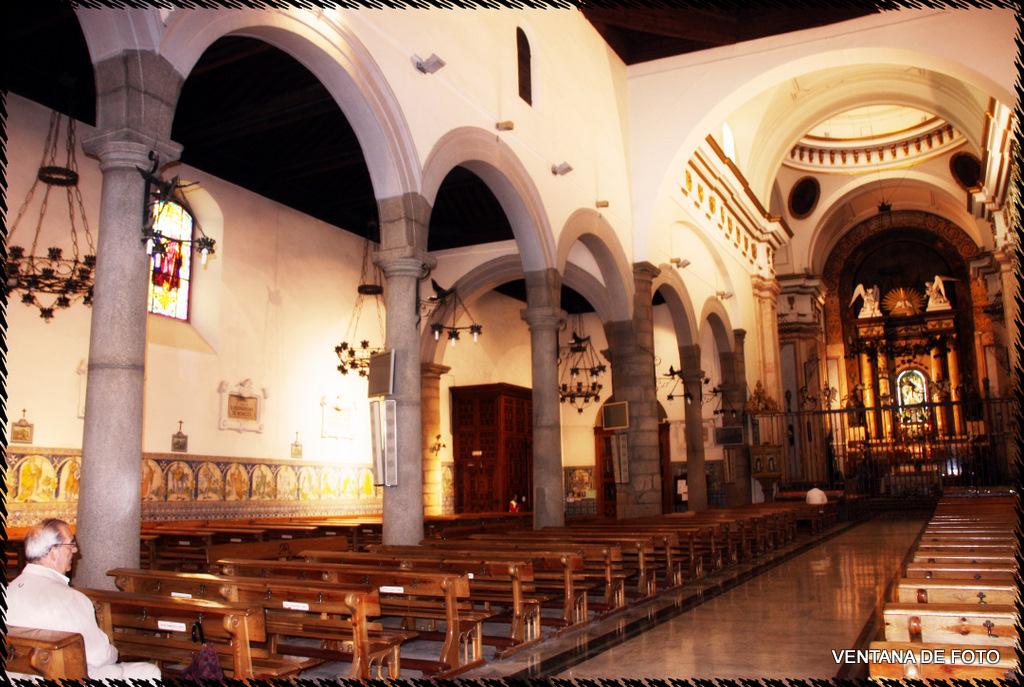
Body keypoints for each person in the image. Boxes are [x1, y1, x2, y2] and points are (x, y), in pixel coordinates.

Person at [6, 519, 162, 680]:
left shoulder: (8, 590)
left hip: (17, 678)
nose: (74, 550)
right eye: (70, 545)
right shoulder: (70, 598)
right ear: (53, 552)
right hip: (62, 678)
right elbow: (99, 656)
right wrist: (113, 650)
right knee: (148, 673)